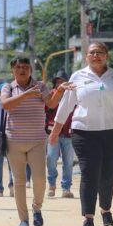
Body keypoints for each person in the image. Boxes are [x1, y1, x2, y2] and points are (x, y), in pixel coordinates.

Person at [50, 41, 113, 226]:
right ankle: (88, 217)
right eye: (92, 52)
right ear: (86, 56)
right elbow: (66, 106)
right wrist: (55, 132)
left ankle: (106, 210)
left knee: (107, 174)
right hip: (84, 132)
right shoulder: (78, 76)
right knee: (89, 173)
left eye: (100, 52)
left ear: (106, 56)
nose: (96, 55)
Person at [0, 57, 71, 226]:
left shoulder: (40, 86)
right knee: (19, 181)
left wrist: (60, 91)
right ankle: (23, 219)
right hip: (14, 141)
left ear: (31, 70)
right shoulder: (8, 87)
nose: (22, 70)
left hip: (37, 141)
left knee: (39, 179)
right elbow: (6, 105)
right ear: (12, 71)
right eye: (18, 68)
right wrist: (26, 94)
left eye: (25, 67)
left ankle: (37, 208)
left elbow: (51, 104)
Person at [45, 69, 75, 199]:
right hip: (53, 134)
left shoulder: (73, 95)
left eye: (63, 81)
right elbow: (46, 110)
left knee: (68, 162)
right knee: (51, 159)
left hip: (69, 134)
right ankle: (51, 185)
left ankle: (66, 188)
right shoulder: (51, 95)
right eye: (58, 82)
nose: (60, 84)